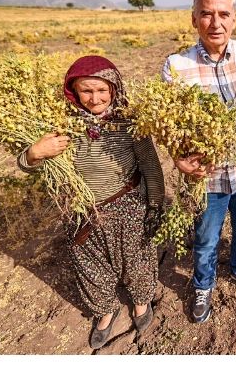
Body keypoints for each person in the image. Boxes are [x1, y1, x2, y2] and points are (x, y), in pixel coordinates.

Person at [18, 55, 165, 349]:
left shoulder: (130, 121)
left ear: (113, 89)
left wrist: (155, 205)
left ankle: (140, 303)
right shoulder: (61, 125)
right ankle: (105, 309)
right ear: (74, 91)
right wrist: (36, 151)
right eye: (86, 90)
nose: (95, 98)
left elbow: (150, 164)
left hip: (127, 204)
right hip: (79, 210)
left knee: (136, 260)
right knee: (89, 266)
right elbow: (25, 164)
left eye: (102, 90)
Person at [162, 0, 236, 324]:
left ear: (234, 18)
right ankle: (202, 285)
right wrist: (178, 158)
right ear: (193, 18)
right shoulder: (176, 65)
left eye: (223, 14)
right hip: (205, 177)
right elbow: (169, 122)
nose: (216, 22)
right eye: (207, 14)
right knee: (207, 238)